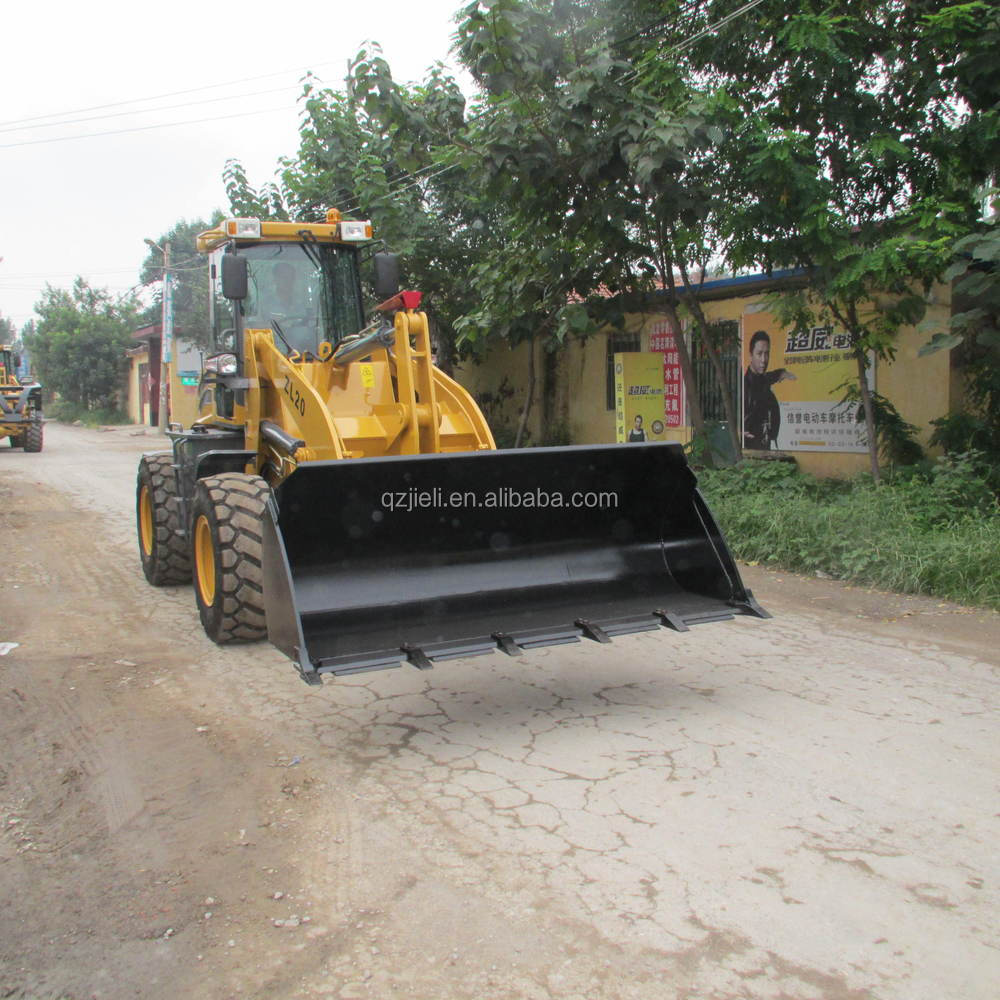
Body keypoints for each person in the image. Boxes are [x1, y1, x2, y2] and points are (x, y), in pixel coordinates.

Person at [743, 330, 796, 450]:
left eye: (767, 354)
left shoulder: (762, 380)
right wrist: (740, 433)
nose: (764, 359)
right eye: (759, 353)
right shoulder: (745, 386)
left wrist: (781, 373)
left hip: (765, 443)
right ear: (751, 355)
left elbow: (767, 377)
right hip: (751, 446)